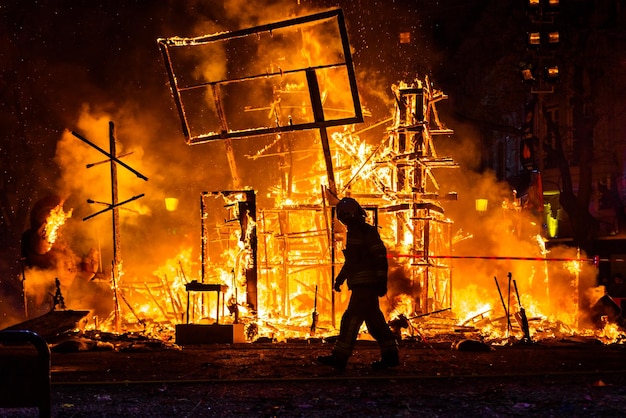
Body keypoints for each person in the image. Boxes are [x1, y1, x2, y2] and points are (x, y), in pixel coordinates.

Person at [317, 197, 399, 370]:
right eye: (343, 216)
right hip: (362, 285)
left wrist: (381, 281)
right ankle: (391, 356)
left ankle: (339, 357)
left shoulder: (366, 231)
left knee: (350, 320)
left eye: (346, 215)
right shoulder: (354, 232)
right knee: (375, 323)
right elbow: (352, 262)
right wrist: (340, 279)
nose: (345, 219)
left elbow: (379, 256)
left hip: (366, 286)